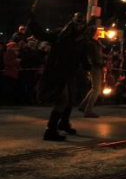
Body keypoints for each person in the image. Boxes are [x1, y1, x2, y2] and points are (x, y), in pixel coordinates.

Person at [27, 13, 91, 141]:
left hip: (70, 74)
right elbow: (42, 35)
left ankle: (63, 123)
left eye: (81, 24)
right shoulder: (61, 34)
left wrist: (89, 68)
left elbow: (83, 58)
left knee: (70, 99)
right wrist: (33, 22)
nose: (79, 26)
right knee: (62, 100)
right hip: (56, 72)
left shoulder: (83, 41)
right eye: (77, 23)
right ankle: (50, 131)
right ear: (73, 23)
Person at [77, 26, 103, 117]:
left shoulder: (96, 42)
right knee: (96, 89)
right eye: (97, 31)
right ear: (94, 32)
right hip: (95, 67)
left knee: (94, 88)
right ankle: (88, 111)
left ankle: (83, 106)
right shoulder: (91, 43)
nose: (99, 33)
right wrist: (98, 63)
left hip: (96, 66)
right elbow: (93, 56)